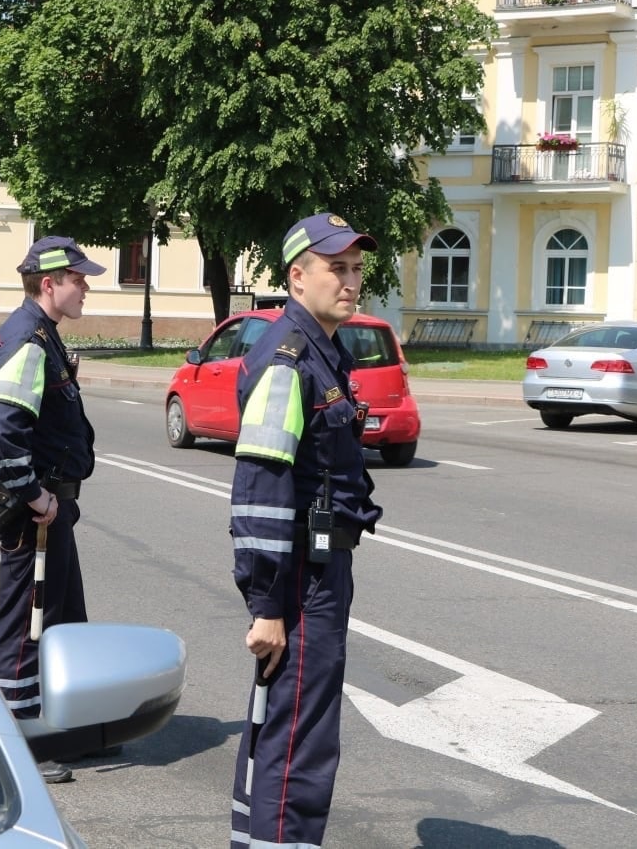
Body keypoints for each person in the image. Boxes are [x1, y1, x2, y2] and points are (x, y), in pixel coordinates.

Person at [229, 213, 384, 847]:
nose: (350, 282)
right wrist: (267, 604)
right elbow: (260, 490)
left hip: (317, 569)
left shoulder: (323, 348)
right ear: (297, 278)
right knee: (299, 741)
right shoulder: (290, 359)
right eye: (335, 269)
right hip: (301, 578)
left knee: (282, 728)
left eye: (355, 269)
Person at [0, 235, 101, 785]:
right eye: (78, 279)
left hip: (50, 507)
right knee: (23, 626)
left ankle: (52, 727)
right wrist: (35, 496)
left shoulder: (41, 335)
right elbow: (4, 432)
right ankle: (15, 741)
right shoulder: (29, 339)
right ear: (49, 283)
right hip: (36, 511)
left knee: (55, 618)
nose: (86, 288)